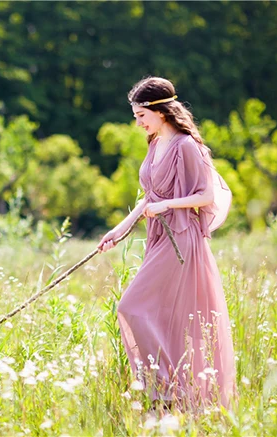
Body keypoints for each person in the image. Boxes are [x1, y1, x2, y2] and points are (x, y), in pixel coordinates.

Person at [98, 77, 235, 409]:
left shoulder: (187, 146)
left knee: (131, 306)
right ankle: (173, 392)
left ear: (160, 111)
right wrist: (119, 230)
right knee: (162, 316)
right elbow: (149, 199)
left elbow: (205, 195)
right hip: (159, 239)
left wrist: (169, 205)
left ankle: (169, 389)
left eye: (141, 115)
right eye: (135, 116)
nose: (138, 122)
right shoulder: (154, 143)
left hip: (182, 240)